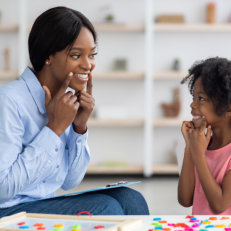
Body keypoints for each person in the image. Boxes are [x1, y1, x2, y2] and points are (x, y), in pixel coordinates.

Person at [0, 6, 149, 217]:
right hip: (7, 210)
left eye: (92, 55)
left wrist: (79, 128)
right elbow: (3, 189)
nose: (88, 65)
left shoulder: (65, 102)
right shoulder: (9, 100)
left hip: (42, 204)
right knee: (107, 208)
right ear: (48, 56)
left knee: (130, 198)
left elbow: (70, 182)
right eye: (77, 55)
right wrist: (54, 129)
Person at [178, 57, 231, 215]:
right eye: (193, 97)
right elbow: (185, 199)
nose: (192, 104)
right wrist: (189, 146)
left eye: (201, 99)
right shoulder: (201, 144)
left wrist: (198, 154)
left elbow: (219, 204)